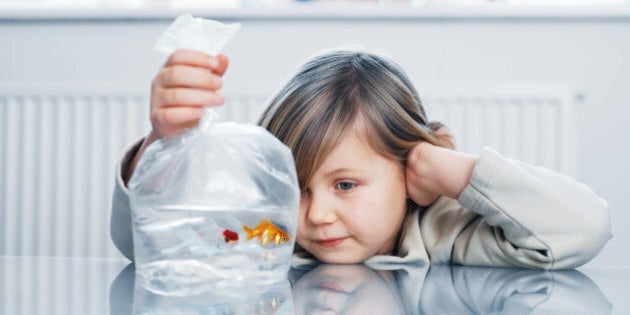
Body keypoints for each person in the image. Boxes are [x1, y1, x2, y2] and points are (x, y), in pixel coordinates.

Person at [111, 48, 611, 269]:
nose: (317, 215)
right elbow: (150, 247)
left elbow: (584, 229)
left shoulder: (447, 235)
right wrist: (163, 146)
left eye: (345, 185)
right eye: (298, 187)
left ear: (409, 174)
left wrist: (451, 170)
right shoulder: (271, 237)